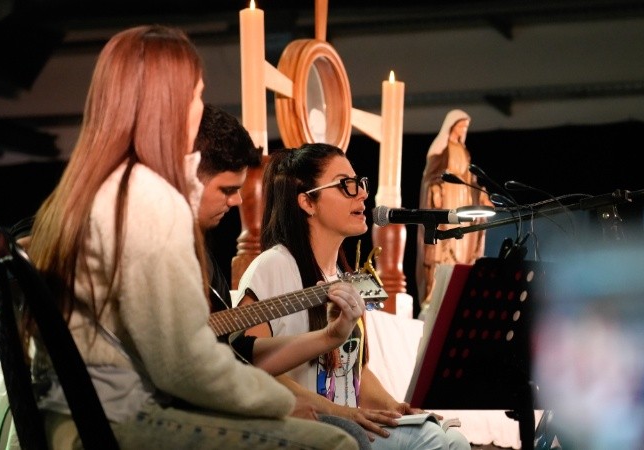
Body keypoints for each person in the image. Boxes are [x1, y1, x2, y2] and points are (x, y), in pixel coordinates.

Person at [23, 25, 363, 449]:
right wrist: (280, 401)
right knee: (334, 443)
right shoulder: (149, 197)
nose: (200, 109)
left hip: (66, 421)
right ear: (169, 104)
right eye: (197, 95)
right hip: (113, 426)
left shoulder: (81, 193)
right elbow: (183, 367)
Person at [236, 143, 472, 450]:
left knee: (453, 438)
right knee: (428, 441)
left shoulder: (346, 276)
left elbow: (355, 368)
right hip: (307, 427)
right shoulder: (273, 266)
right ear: (308, 202)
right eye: (346, 185)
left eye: (360, 183)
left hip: (348, 421)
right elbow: (248, 365)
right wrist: (339, 412)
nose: (362, 193)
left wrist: (394, 406)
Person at [193, 103, 372, 449]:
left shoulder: (202, 260)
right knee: (348, 439)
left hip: (218, 401)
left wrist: (332, 335)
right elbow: (224, 364)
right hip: (186, 410)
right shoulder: (272, 265)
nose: (234, 204)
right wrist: (280, 403)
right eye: (228, 190)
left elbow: (240, 352)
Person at [415, 109, 490, 313]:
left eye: (466, 127)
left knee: (462, 247)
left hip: (463, 199)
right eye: (461, 125)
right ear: (452, 126)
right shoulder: (442, 149)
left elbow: (471, 179)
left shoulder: (464, 151)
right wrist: (436, 188)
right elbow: (430, 175)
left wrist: (481, 194)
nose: (463, 130)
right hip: (447, 199)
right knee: (443, 246)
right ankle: (437, 292)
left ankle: (456, 290)